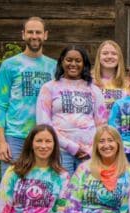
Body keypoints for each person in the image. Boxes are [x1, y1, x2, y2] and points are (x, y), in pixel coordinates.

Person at [0, 17, 57, 175]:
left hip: (45, 139)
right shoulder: (9, 65)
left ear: (45, 35)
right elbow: (0, 104)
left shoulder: (54, 66)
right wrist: (2, 141)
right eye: (30, 32)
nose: (34, 36)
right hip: (16, 137)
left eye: (38, 32)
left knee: (41, 185)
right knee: (10, 186)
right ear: (23, 35)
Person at [36, 45, 107, 174]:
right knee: (62, 191)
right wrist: (71, 147)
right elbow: (43, 124)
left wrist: (92, 149)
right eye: (69, 60)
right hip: (60, 152)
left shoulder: (94, 90)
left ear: (84, 63)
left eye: (78, 61)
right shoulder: (49, 87)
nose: (73, 64)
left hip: (88, 154)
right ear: (62, 61)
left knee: (85, 192)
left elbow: (102, 124)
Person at [92, 40, 127, 112]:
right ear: (99, 57)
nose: (109, 56)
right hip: (96, 123)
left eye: (114, 54)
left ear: (119, 58)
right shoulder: (89, 80)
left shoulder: (128, 82)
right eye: (105, 53)